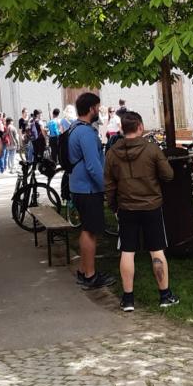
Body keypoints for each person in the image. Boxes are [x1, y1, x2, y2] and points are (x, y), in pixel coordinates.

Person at [105, 111, 179, 311]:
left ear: (122, 128)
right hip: (151, 206)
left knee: (127, 251)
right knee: (156, 250)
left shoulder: (112, 153)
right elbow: (168, 175)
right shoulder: (152, 149)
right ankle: (165, 295)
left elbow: (109, 185)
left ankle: (128, 298)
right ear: (140, 126)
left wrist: (113, 206)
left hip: (126, 207)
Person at [69, 92, 116, 290]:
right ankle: (90, 275)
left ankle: (83, 270)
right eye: (97, 107)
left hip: (79, 186)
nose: (99, 110)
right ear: (91, 109)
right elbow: (93, 166)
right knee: (91, 231)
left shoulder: (75, 128)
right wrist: (106, 187)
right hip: (88, 189)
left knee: (86, 229)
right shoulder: (86, 132)